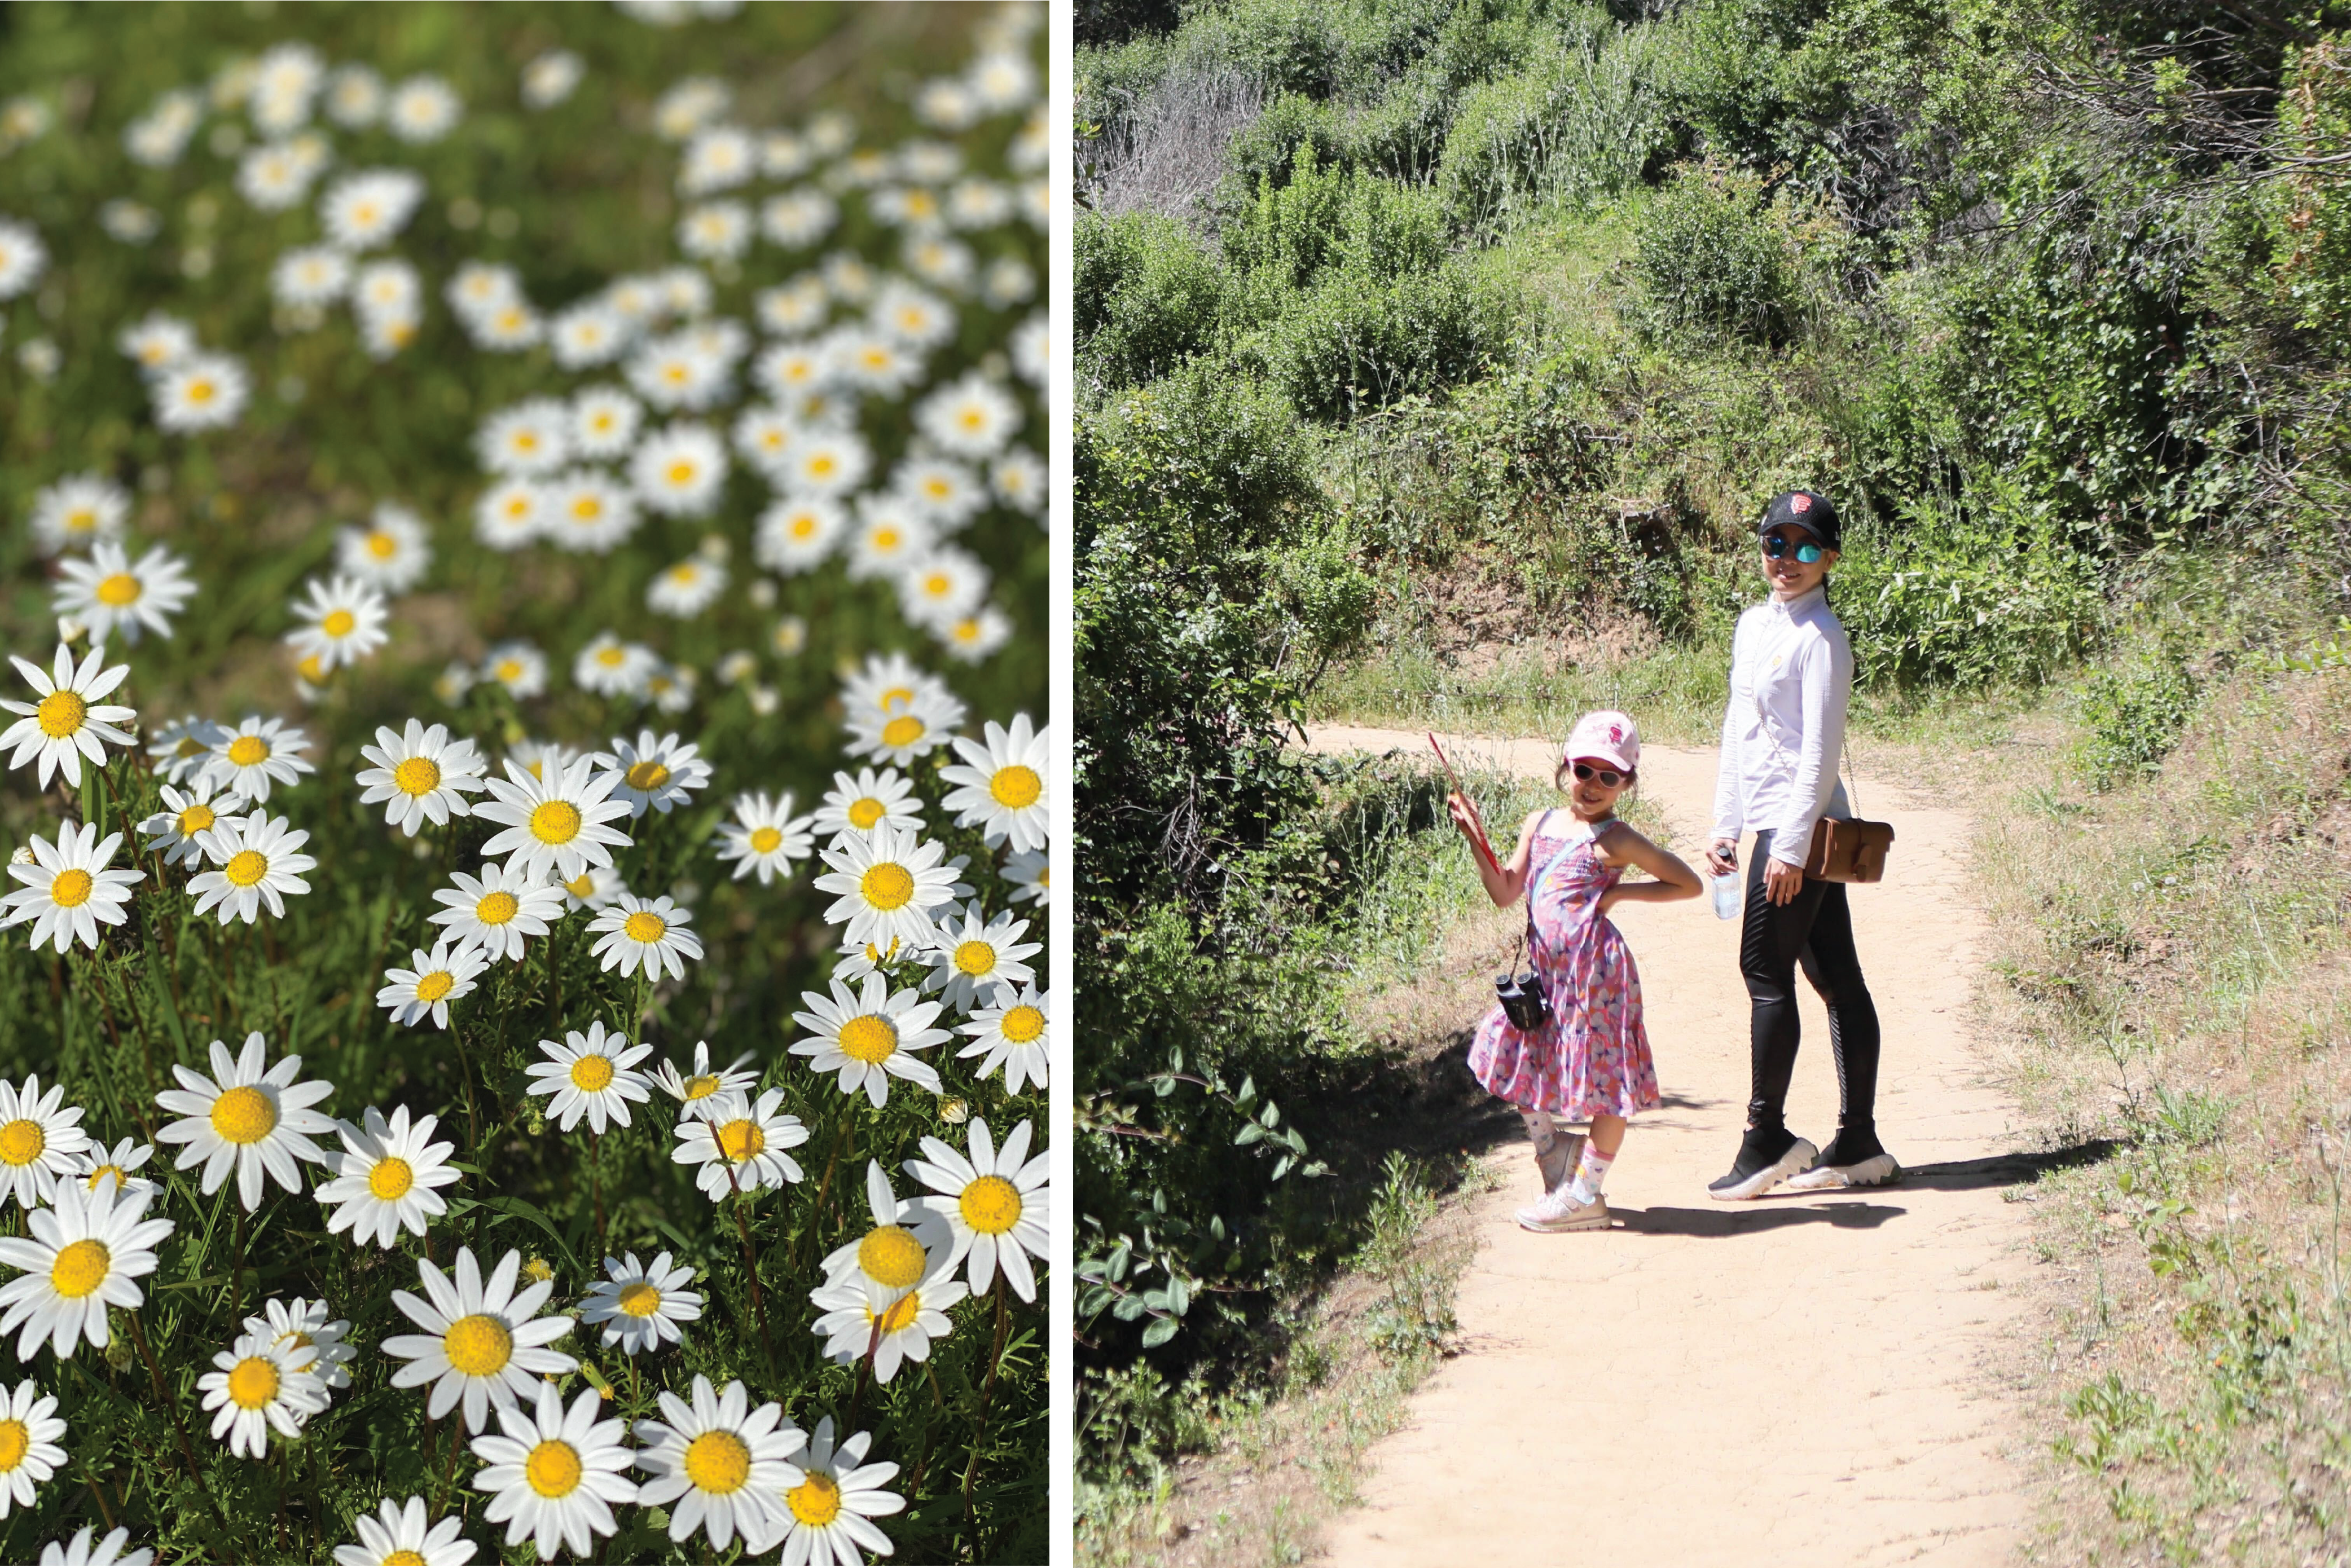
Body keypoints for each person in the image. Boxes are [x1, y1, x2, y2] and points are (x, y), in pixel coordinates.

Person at [1703, 489, 1899, 1200]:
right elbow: (1737, 726)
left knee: (1763, 969)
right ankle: (1858, 1140)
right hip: (1767, 821)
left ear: (1831, 559)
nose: (1788, 559)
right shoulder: (1754, 625)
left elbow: (1821, 750)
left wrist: (1787, 847)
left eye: (1807, 547)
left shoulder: (1824, 639)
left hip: (1802, 826)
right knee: (1836, 977)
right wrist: (1725, 823)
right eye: (1777, 544)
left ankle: (1769, 1138)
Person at [1448, 710, 1702, 1232]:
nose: (1593, 786)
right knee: (1512, 1049)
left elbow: (1687, 883)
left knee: (1609, 1083)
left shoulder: (1617, 839)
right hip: (1549, 977)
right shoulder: (1538, 823)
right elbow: (1504, 893)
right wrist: (1475, 837)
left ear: (1626, 783)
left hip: (1598, 979)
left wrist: (1620, 892)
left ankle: (1585, 1193)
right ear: (1566, 766)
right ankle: (1553, 1147)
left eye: (1609, 776)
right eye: (1584, 770)